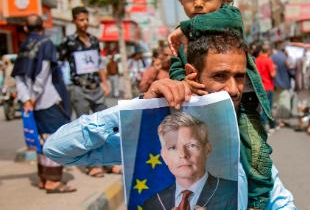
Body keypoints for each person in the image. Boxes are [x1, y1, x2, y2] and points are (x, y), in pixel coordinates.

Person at [44, 32, 296, 209]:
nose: (233, 89)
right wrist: (140, 105)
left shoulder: (246, 142)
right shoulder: (152, 136)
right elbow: (58, 149)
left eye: (239, 77)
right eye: (220, 75)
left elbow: (280, 202)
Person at [165, 0, 276, 208]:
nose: (199, 4)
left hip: (241, 109)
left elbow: (231, 19)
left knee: (256, 155)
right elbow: (175, 66)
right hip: (200, 111)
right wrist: (183, 82)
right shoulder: (182, 41)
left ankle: (258, 201)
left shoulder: (225, 18)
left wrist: (187, 26)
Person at [12, 15, 75, 193]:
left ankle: (43, 179)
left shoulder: (24, 46)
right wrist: (33, 96)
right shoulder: (46, 43)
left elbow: (19, 76)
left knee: (41, 139)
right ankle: (52, 181)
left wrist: (26, 99)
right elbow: (43, 74)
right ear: (44, 27)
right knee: (55, 139)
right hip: (48, 101)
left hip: (33, 104)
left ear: (25, 28)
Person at [59, 6, 119, 177]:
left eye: (86, 19)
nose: (84, 23)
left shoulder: (93, 40)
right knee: (86, 129)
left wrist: (105, 83)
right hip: (79, 89)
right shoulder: (68, 42)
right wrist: (66, 87)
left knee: (107, 126)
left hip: (96, 88)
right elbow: (59, 65)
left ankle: (110, 163)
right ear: (74, 21)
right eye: (80, 20)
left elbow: (99, 63)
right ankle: (93, 165)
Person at [144, 111, 237, 209]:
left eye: (191, 145)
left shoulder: (234, 192)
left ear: (207, 150)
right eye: (173, 147)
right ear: (164, 156)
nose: (183, 154)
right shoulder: (153, 204)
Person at [255, 43, 277, 132]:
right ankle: (266, 125)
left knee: (261, 106)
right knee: (267, 107)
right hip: (268, 87)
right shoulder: (268, 60)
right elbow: (273, 74)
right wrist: (275, 69)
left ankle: (264, 124)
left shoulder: (256, 60)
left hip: (259, 87)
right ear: (268, 51)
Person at [271, 44, 291, 124]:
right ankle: (282, 120)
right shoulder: (285, 57)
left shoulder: (272, 57)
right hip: (284, 82)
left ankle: (275, 119)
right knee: (284, 101)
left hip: (275, 83)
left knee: (276, 101)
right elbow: (289, 68)